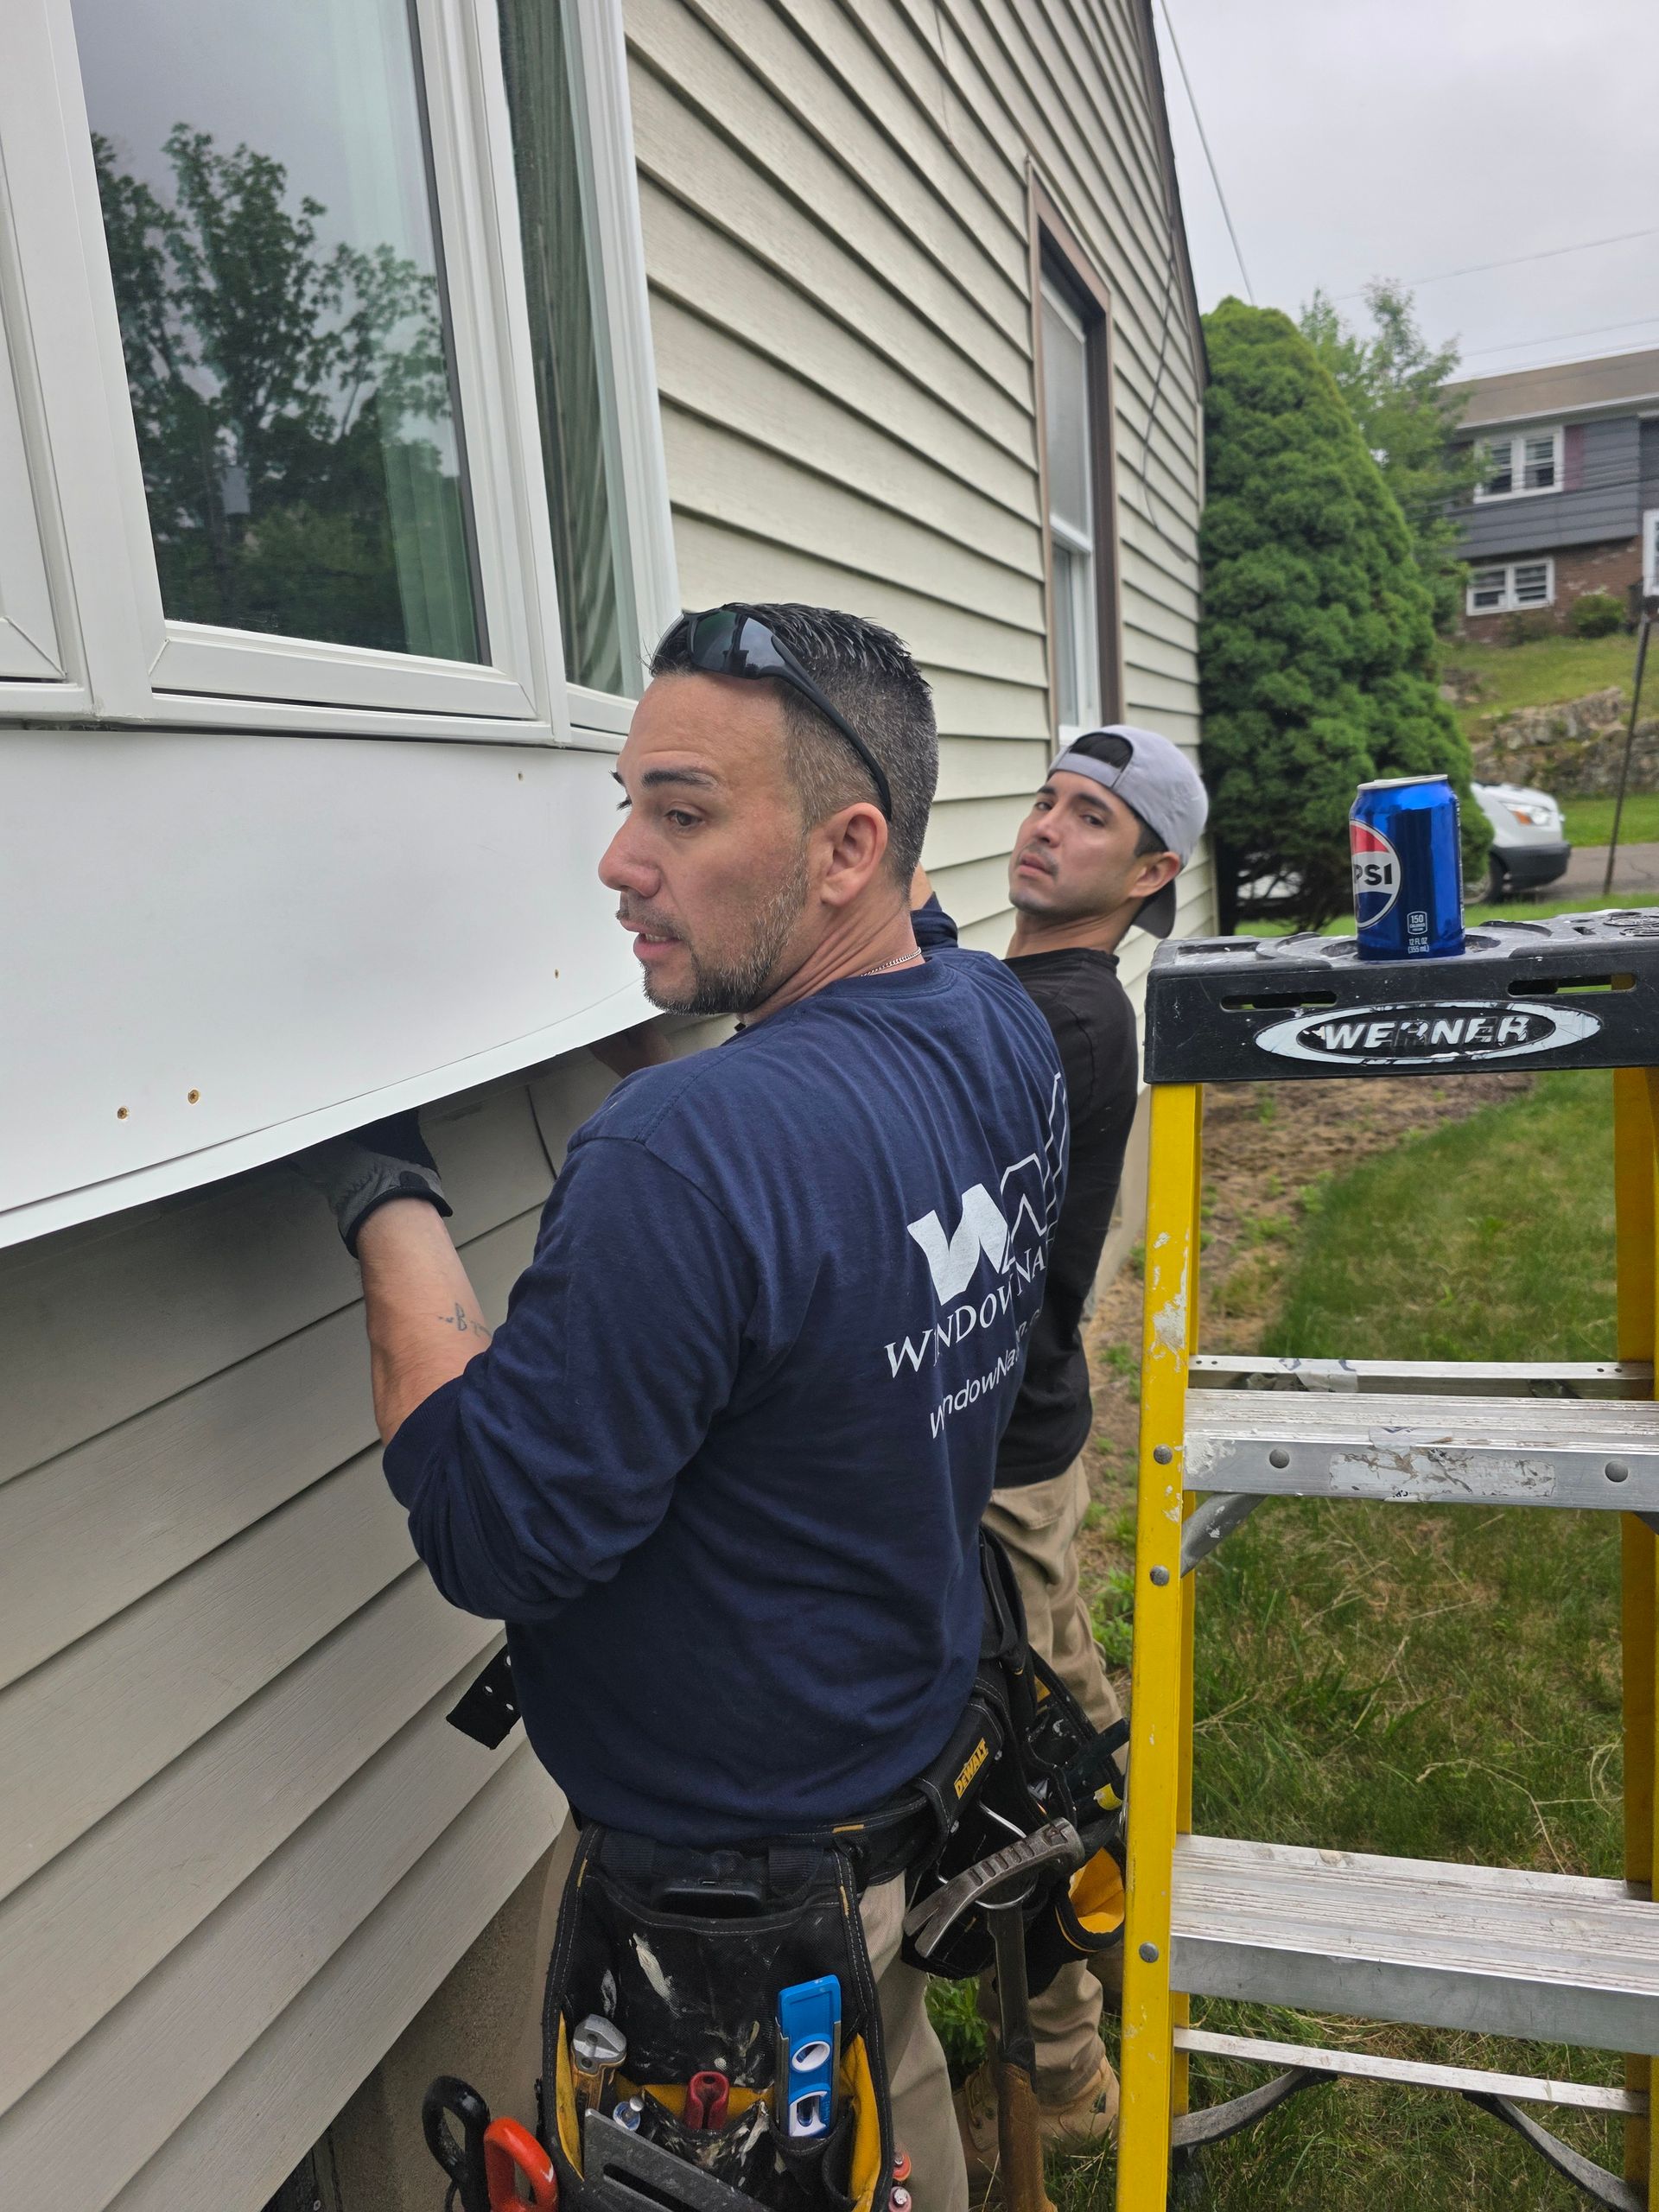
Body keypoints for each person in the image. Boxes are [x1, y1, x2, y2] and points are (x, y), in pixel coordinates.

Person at [299, 604, 1070, 2212]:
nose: (619, 861)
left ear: (851, 847)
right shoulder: (1000, 1023)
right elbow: (801, 1197)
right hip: (899, 1780)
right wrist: (683, 1025)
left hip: (723, 1917)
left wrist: (385, 1194)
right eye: (624, 804)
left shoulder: (682, 1160)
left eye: (684, 813)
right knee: (897, 2127)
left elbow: (493, 1529)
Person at [911, 725, 1208, 2195]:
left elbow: (923, 1065)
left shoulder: (1072, 1017)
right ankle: (1127, 1867)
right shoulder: (1021, 988)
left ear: (1150, 874)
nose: (1045, 829)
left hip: (1008, 1440)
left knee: (1034, 1743)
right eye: (1044, 800)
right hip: (1002, 1418)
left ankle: (1076, 2064)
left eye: (1092, 819)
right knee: (1047, 1680)